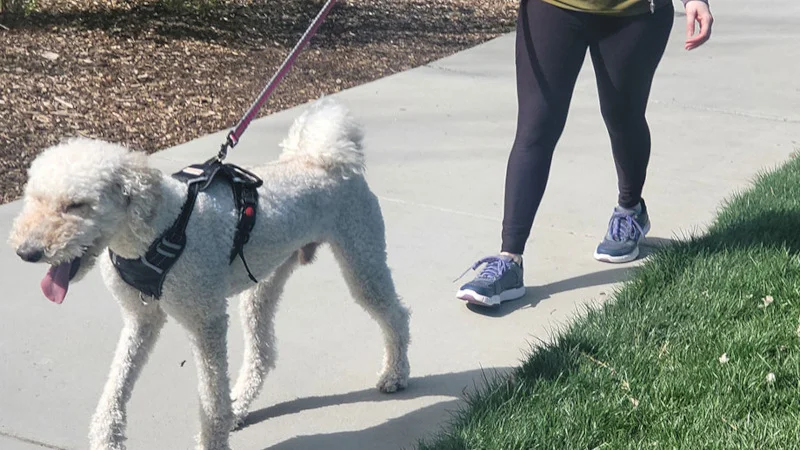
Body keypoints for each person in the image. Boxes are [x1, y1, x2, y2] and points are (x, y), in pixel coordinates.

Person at [456, 0, 714, 306]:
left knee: (623, 116)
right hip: (553, 6)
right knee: (536, 127)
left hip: (634, 12)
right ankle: (509, 260)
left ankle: (630, 209)